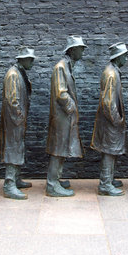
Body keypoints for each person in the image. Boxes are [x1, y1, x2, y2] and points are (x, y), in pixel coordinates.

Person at [45, 35, 87, 197]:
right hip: (62, 118)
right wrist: (72, 108)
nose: (82, 52)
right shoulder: (61, 67)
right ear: (73, 50)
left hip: (65, 118)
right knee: (58, 150)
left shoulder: (67, 66)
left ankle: (56, 179)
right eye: (81, 48)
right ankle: (52, 184)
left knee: (62, 149)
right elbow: (61, 93)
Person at [0, 47, 36, 200]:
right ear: (22, 59)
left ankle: (16, 178)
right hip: (14, 121)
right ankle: (9, 184)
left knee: (18, 148)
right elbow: (13, 101)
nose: (32, 61)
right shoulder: (13, 74)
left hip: (18, 121)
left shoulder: (19, 73)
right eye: (30, 59)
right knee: (13, 149)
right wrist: (19, 118)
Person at [91, 42, 128, 196]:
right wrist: (116, 120)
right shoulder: (111, 74)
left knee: (112, 150)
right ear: (118, 57)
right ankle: (105, 184)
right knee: (109, 150)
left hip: (110, 120)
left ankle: (109, 179)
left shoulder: (113, 71)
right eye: (125, 56)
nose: (126, 59)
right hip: (110, 121)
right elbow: (108, 102)